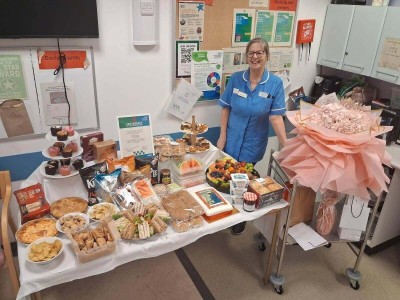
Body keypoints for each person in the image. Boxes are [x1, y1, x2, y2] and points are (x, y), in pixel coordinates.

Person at [217, 38, 287, 234]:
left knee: (243, 181)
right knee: (227, 177)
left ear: (266, 56)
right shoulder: (237, 79)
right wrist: (222, 135)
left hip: (252, 144)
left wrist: (286, 146)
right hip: (231, 140)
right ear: (246, 56)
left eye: (259, 53)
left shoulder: (275, 84)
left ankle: (240, 218)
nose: (255, 57)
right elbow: (225, 108)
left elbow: (276, 117)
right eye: (251, 53)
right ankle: (225, 214)